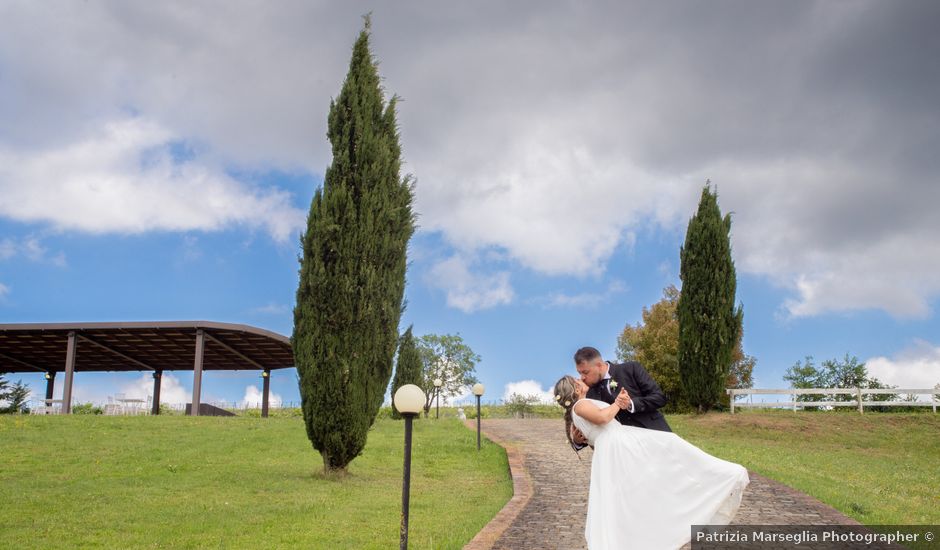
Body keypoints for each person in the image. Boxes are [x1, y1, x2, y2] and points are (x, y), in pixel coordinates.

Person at [554, 375, 749, 550]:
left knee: (637, 492)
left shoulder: (575, 413)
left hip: (614, 447)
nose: (582, 380)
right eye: (577, 380)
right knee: (669, 448)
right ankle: (720, 478)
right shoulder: (580, 406)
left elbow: (591, 434)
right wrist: (618, 403)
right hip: (619, 447)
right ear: (575, 388)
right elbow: (603, 418)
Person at [570, 347, 670, 449]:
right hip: (626, 450)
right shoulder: (589, 394)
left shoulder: (631, 368)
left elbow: (659, 398)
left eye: (585, 372)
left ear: (599, 365)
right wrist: (578, 442)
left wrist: (631, 404)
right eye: (579, 373)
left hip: (656, 436)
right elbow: (595, 429)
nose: (582, 377)